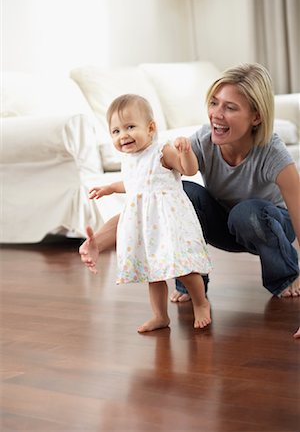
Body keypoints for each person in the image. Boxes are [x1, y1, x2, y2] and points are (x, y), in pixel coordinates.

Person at [80, 63, 300, 302]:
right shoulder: (204, 140)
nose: (216, 113)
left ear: (256, 116)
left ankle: (286, 276)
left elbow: (298, 210)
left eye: (230, 107)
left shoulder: (272, 153)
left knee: (247, 213)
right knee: (183, 192)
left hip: (270, 225)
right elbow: (148, 199)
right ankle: (189, 281)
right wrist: (98, 242)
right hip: (226, 225)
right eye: (214, 102)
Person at [83, 94, 212, 333]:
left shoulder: (162, 152)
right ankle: (160, 316)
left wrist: (185, 152)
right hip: (145, 225)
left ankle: (201, 302)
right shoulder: (130, 159)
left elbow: (189, 169)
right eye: (116, 131)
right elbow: (133, 183)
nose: (123, 136)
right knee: (154, 273)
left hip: (168, 221)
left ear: (150, 128)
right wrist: (110, 188)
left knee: (182, 267)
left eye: (130, 127)